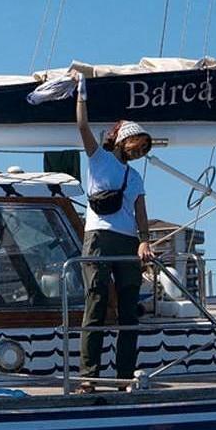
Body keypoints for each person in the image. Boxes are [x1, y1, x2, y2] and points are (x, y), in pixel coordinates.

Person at [73, 73, 154, 392]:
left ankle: (123, 376)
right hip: (98, 237)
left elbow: (141, 212)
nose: (139, 150)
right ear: (123, 140)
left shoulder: (135, 177)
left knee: (129, 310)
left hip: (127, 241)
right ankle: (88, 377)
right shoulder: (99, 158)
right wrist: (81, 94)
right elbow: (82, 126)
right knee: (96, 302)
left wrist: (144, 240)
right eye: (137, 144)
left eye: (144, 148)